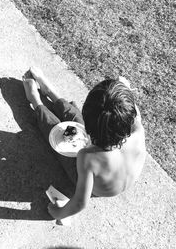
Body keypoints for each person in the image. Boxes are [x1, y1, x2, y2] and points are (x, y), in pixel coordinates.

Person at [22, 67, 146, 220]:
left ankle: (36, 100)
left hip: (96, 188)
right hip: (111, 173)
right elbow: (131, 109)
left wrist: (59, 213)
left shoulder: (88, 158)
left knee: (58, 135)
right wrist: (123, 90)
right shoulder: (137, 130)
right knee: (80, 122)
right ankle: (50, 92)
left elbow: (80, 202)